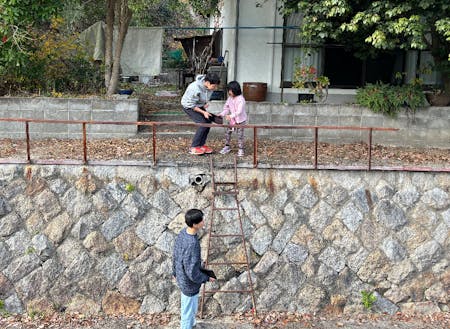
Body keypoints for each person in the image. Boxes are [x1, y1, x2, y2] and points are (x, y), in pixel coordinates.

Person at [172, 209, 214, 329]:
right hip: (189, 282)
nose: (203, 222)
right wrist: (206, 277)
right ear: (195, 224)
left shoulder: (183, 233)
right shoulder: (192, 243)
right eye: (201, 220)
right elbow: (192, 273)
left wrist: (175, 271)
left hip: (182, 277)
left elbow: (175, 254)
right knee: (187, 312)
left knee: (191, 307)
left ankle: (192, 325)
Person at [181, 72, 221, 155]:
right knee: (202, 123)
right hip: (189, 106)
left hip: (199, 104)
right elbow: (191, 105)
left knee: (208, 122)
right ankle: (194, 147)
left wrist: (205, 103)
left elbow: (205, 96)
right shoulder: (194, 88)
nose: (215, 88)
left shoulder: (209, 87)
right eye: (214, 86)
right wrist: (203, 112)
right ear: (207, 82)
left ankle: (201, 145)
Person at [218, 81, 248, 157]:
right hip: (232, 120)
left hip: (240, 120)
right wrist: (221, 114)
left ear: (235, 90)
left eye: (230, 90)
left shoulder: (241, 99)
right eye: (229, 90)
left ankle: (241, 149)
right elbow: (226, 108)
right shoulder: (230, 99)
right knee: (228, 133)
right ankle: (227, 146)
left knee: (240, 135)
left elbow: (239, 111)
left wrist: (230, 116)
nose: (229, 92)